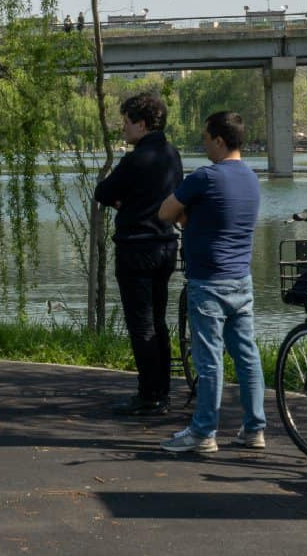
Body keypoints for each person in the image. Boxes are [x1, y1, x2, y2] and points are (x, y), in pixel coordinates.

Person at [157, 111, 266, 453]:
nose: (204, 145)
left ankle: (203, 432)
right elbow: (222, 216)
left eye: (206, 138)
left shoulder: (205, 177)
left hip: (208, 282)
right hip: (240, 280)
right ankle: (254, 429)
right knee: (247, 356)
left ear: (220, 140)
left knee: (209, 360)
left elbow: (164, 212)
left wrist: (187, 217)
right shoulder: (251, 178)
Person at [94, 94, 183, 416]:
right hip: (166, 245)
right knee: (158, 321)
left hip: (136, 247)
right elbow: (176, 196)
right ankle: (163, 390)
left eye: (127, 122)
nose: (123, 128)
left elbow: (103, 192)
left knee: (141, 324)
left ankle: (149, 395)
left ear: (141, 124)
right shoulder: (172, 155)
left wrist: (126, 204)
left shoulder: (136, 158)